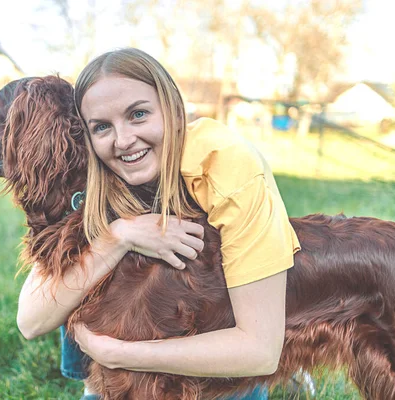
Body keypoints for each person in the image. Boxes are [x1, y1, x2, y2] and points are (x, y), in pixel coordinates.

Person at [17, 48, 301, 400]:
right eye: (102, 127)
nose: (123, 141)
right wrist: (120, 236)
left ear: (172, 109)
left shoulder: (229, 169)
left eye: (138, 114)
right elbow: (31, 319)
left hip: (220, 379)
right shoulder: (99, 177)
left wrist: (120, 355)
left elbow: (260, 350)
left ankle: (294, 371)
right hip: (118, 382)